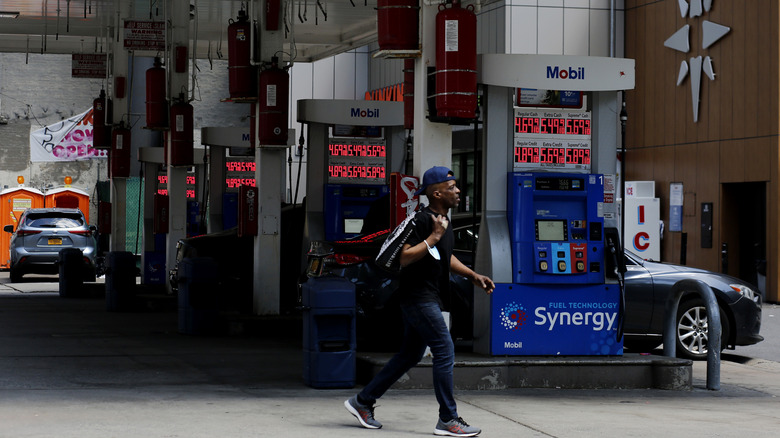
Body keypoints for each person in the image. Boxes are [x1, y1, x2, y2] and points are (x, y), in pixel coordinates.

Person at [344, 166, 495, 437]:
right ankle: (448, 419)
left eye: (456, 186)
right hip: (417, 298)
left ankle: (363, 401)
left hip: (429, 298)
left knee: (410, 354)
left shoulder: (442, 221)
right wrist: (432, 237)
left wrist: (473, 275)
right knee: (444, 349)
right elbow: (403, 257)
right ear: (436, 193)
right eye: (452, 188)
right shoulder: (424, 221)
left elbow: (445, 256)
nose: (458, 191)